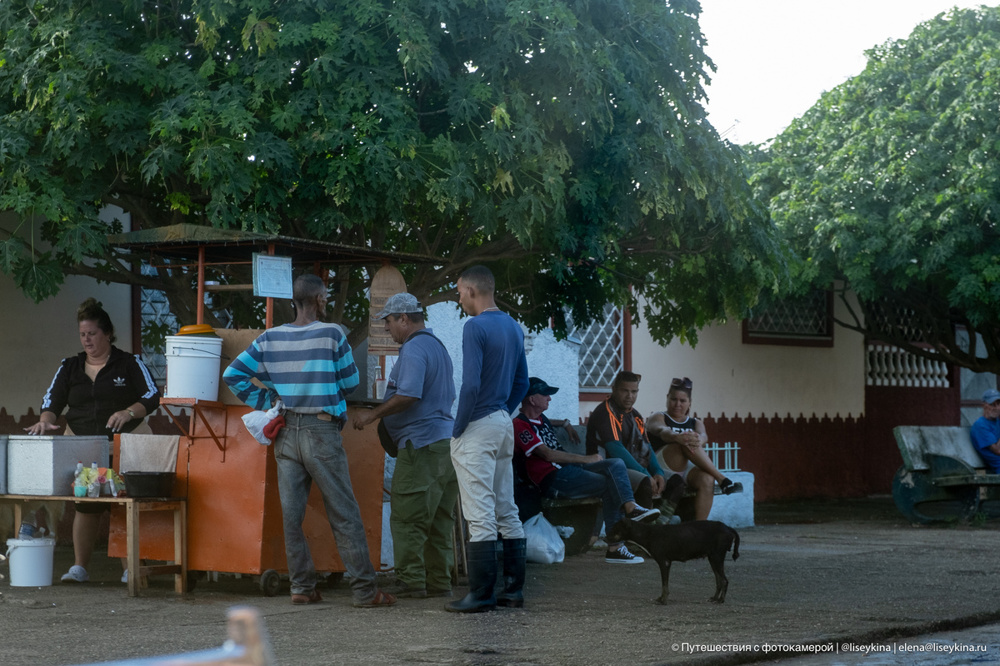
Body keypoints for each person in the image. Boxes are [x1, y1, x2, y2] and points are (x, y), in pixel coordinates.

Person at [223, 274, 394, 608]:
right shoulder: (332, 334)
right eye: (325, 298)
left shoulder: (269, 338)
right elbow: (350, 381)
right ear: (319, 299)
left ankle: (301, 586)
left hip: (285, 432)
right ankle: (364, 591)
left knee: (292, 515)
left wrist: (270, 400)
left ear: (293, 302)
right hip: (321, 431)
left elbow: (234, 375)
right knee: (344, 512)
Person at [25, 297, 160, 584]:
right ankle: (79, 567)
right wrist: (46, 419)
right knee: (86, 503)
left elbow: (151, 395)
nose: (87, 340)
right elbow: (52, 400)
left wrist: (128, 411)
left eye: (93, 334)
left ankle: (131, 569)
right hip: (83, 445)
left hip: (127, 444)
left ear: (108, 333)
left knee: (124, 503)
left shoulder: (129, 362)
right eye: (83, 335)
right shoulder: (69, 366)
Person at [352, 292, 459, 599]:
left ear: (404, 318)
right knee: (439, 518)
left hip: (421, 446)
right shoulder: (436, 347)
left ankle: (412, 581)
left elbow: (409, 395)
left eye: (389, 322)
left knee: (408, 517)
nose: (387, 329)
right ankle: (439, 581)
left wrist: (373, 415)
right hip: (443, 445)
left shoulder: (414, 349)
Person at [447, 265, 529, 613]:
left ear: (472, 290)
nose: (458, 297)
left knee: (479, 514)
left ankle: (480, 595)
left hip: (479, 423)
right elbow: (523, 383)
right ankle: (513, 591)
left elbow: (471, 385)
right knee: (506, 508)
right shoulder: (513, 326)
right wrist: (501, 411)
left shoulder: (474, 327)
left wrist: (459, 426)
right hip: (502, 422)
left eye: (459, 291)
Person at [513, 377, 659, 564]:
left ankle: (630, 507)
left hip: (569, 471)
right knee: (610, 484)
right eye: (545, 394)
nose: (549, 398)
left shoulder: (540, 419)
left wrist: (565, 423)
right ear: (532, 399)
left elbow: (549, 423)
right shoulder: (520, 425)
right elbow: (547, 454)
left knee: (615, 464)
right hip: (553, 479)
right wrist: (585, 458)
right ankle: (616, 547)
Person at [646, 377, 742, 521]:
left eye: (682, 401)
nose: (677, 404)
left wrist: (698, 439)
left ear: (689, 402)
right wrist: (677, 437)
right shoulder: (658, 416)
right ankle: (722, 479)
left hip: (686, 469)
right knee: (683, 442)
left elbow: (703, 437)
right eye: (673, 399)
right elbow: (661, 431)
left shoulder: (696, 422)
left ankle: (699, 528)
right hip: (661, 466)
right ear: (667, 398)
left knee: (707, 479)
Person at [585, 371, 670, 509]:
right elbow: (615, 449)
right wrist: (645, 474)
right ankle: (644, 528)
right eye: (624, 391)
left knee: (675, 481)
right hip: (605, 468)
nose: (630, 396)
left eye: (634, 391)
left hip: (633, 468)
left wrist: (658, 472)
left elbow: (647, 447)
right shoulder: (606, 412)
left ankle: (662, 522)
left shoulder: (635, 415)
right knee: (645, 483)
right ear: (614, 389)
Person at [970, 388, 1000, 473]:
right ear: (984, 405)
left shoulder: (997, 421)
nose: (997, 408)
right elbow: (998, 450)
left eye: (998, 404)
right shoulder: (980, 426)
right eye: (992, 404)